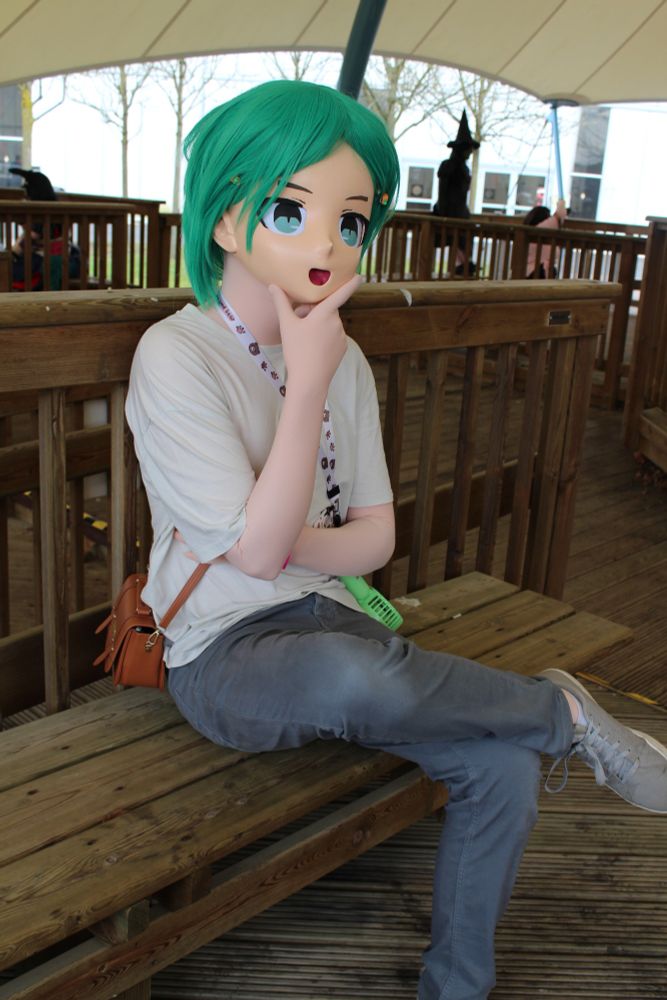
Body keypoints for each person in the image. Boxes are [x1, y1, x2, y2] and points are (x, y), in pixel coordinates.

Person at [125, 80, 667, 1000]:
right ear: (224, 218)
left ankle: (456, 985)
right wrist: (302, 391)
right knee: (354, 674)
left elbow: (371, 541)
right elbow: (251, 563)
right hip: (220, 652)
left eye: (352, 219)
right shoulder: (177, 356)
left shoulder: (347, 359)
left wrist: (290, 527)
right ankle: (561, 714)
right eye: (291, 210)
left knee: (494, 765)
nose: (328, 244)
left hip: (336, 616)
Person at [8, 167, 81, 290]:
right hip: (54, 256)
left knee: (20, 266)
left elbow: (30, 238)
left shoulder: (44, 213)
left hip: (52, 257)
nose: (26, 199)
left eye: (28, 196)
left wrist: (14, 252)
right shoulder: (53, 210)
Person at [432, 110, 480, 275]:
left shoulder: (464, 169)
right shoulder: (448, 167)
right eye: (467, 149)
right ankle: (463, 264)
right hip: (448, 212)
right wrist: (445, 212)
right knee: (454, 237)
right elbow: (443, 192)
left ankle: (463, 264)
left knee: (463, 237)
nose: (469, 152)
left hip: (460, 213)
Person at [524, 197, 568, 278]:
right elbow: (559, 215)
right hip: (537, 272)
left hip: (527, 272)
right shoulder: (542, 229)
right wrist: (561, 202)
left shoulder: (526, 233)